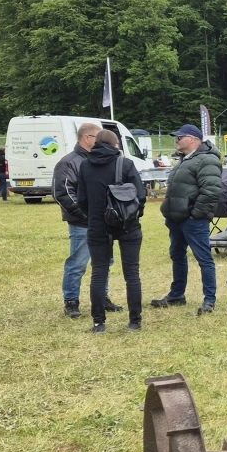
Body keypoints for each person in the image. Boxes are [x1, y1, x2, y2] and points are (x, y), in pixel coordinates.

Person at [77, 129, 144, 332]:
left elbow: (81, 200)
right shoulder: (125, 164)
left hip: (97, 224)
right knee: (131, 273)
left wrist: (93, 216)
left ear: (96, 143)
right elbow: (140, 195)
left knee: (99, 273)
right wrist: (133, 215)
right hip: (127, 224)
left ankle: (99, 323)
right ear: (116, 144)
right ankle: (134, 321)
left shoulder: (85, 165)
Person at [152, 124, 222, 316]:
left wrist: (195, 214)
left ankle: (209, 299)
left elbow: (212, 190)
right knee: (177, 255)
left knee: (204, 259)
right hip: (177, 219)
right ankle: (177, 295)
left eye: (179, 137)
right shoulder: (185, 159)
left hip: (193, 219)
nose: (176, 140)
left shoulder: (206, 160)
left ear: (192, 139)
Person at [53, 122, 118, 318]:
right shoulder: (68, 162)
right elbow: (62, 193)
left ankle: (102, 297)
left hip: (104, 222)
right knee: (78, 262)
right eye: (99, 137)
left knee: (105, 261)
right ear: (87, 138)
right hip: (82, 223)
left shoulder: (100, 160)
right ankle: (71, 301)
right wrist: (86, 216)